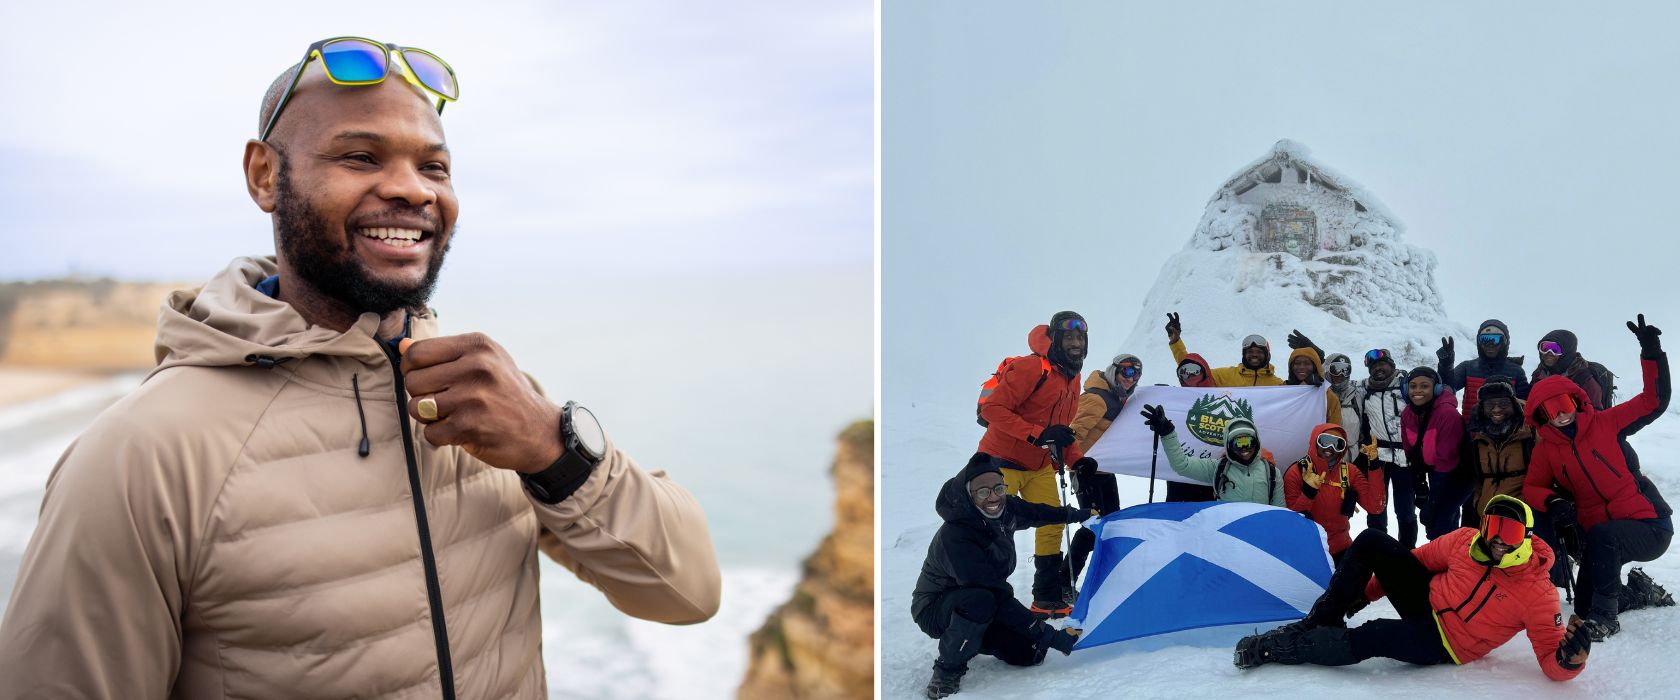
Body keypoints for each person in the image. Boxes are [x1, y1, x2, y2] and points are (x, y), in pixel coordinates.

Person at [0, 43, 721, 698]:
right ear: (264, 176)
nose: (413, 190)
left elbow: (685, 592)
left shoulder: (490, 398)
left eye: (433, 166)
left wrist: (553, 448)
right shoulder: (145, 451)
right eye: (360, 157)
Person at [1234, 496, 1590, 682]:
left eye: (1509, 533)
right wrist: (1367, 593)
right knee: (1373, 539)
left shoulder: (1538, 592)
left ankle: (1284, 649)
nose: (1497, 539)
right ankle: (1318, 621)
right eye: (1492, 527)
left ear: (1526, 539)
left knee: (1376, 634)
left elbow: (1550, 659)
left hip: (1448, 643)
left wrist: (1570, 661)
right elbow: (1415, 561)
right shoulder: (1466, 540)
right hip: (1426, 602)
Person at [1524, 315, 1673, 641]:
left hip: (1649, 525)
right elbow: (1531, 488)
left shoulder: (1607, 423)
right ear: (1540, 417)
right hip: (1600, 538)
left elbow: (1654, 400)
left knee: (1604, 538)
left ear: (1576, 400)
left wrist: (1652, 353)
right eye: (1549, 411)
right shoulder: (1547, 449)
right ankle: (1638, 593)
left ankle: (1605, 621)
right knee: (1583, 607)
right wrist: (1554, 501)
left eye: (1564, 404)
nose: (1560, 415)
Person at [913, 455, 1089, 699]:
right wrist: (1050, 635)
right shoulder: (956, 535)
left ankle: (971, 638)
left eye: (998, 488)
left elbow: (1038, 513)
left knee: (1029, 653)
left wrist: (1078, 515)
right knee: (981, 601)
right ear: (969, 495)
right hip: (935, 607)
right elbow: (995, 593)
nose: (994, 497)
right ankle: (947, 671)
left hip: (983, 600)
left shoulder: (1007, 509)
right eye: (983, 492)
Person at [977, 311, 1087, 618]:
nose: (1076, 343)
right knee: (992, 531)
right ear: (1055, 339)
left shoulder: (1073, 377)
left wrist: (1079, 460)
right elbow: (993, 410)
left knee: (1052, 522)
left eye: (1080, 337)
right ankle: (985, 603)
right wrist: (1037, 435)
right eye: (1069, 337)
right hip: (1001, 461)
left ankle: (1047, 598)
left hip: (1039, 466)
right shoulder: (1030, 367)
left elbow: (1062, 429)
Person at [1141, 406, 1284, 506]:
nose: (1244, 449)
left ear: (1257, 442)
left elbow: (1280, 513)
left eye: (1248, 442)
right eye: (1237, 443)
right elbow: (1182, 465)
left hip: (1258, 536)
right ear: (1228, 445)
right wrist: (1167, 433)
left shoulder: (1271, 473)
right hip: (1227, 536)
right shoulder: (1218, 468)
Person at [1284, 424, 1382, 563]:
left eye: (1338, 444)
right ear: (1314, 441)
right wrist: (1308, 493)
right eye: (1325, 441)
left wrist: (1374, 465)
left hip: (1341, 548)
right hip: (1306, 549)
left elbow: (1376, 506)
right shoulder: (1297, 472)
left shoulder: (1350, 472)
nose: (1330, 448)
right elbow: (1290, 521)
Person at [1402, 367, 1467, 541]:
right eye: (1413, 386)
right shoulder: (1407, 414)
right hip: (1432, 471)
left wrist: (1433, 502)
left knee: (1443, 524)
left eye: (1424, 386)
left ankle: (1448, 559)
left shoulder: (1447, 414)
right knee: (1432, 526)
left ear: (1436, 389)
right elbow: (1410, 450)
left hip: (1454, 476)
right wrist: (1420, 485)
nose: (1418, 391)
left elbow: (1446, 461)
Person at [1351, 349, 1406, 543]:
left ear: (1392, 365)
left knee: (1405, 512)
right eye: (1373, 366)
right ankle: (1378, 550)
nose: (1378, 369)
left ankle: (1407, 553)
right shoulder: (1363, 388)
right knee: (1376, 509)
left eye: (1382, 364)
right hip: (1376, 458)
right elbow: (1337, 380)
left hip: (1404, 459)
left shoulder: (1407, 385)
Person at [1436, 319, 1531, 420]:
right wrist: (1446, 365)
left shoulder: (1516, 371)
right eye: (1484, 339)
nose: (1490, 344)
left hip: (1505, 433)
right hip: (1470, 432)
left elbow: (1525, 407)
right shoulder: (1467, 367)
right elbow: (1445, 389)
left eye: (1495, 339)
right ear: (1478, 342)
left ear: (1505, 341)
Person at [1164, 312, 1284, 387]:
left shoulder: (1277, 384)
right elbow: (1192, 371)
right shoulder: (1226, 376)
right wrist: (1175, 342)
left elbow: (1301, 391)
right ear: (1244, 354)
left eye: (1259, 352)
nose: (1254, 355)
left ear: (1267, 355)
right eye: (1250, 352)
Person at [1169, 353, 1219, 502]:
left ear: (1204, 371)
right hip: (1181, 474)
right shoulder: (1175, 399)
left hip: (1211, 472)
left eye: (1194, 370)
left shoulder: (1221, 396)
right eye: (1183, 372)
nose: (1189, 375)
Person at [1531, 329, 1610, 410]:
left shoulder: (1584, 379)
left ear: (1567, 352)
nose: (1549, 353)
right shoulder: (1540, 373)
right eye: (1545, 348)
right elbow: (1530, 401)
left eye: (1555, 349)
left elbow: (1595, 415)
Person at [1284, 347, 1342, 427]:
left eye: (1307, 363)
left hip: (1317, 439)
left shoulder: (1328, 396)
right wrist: (1303, 385)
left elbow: (1334, 428)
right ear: (1291, 367)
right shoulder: (1282, 390)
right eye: (1297, 363)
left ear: (1315, 367)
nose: (1301, 367)